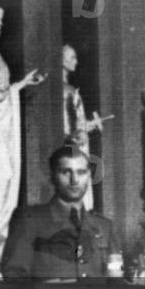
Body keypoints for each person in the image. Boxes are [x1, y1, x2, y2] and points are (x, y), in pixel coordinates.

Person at [0, 4, 45, 260]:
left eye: (1, 19)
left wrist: (20, 85)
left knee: (5, 182)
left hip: (3, 130)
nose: (0, 24)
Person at [1, 145, 119, 279]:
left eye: (81, 172)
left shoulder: (104, 227)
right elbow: (13, 278)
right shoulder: (30, 220)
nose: (74, 180)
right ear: (52, 177)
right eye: (66, 172)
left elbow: (115, 282)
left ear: (89, 177)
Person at [62, 44, 102, 210]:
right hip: (70, 146)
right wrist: (75, 134)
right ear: (60, 60)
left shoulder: (71, 89)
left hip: (76, 144)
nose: (76, 62)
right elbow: (67, 124)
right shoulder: (64, 91)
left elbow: (77, 123)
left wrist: (89, 125)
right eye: (72, 57)